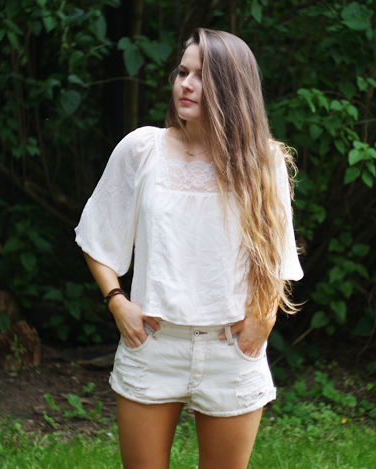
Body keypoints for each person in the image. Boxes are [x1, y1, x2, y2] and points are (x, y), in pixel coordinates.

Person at [75, 28, 303, 469]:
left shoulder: (262, 161)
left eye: (202, 77)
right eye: (183, 72)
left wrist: (265, 316)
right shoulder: (142, 149)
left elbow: (277, 253)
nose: (186, 84)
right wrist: (116, 301)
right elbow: (96, 233)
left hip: (231, 351)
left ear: (232, 89)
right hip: (153, 346)